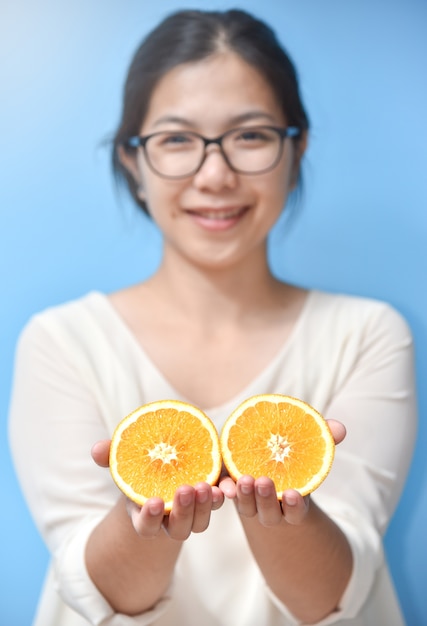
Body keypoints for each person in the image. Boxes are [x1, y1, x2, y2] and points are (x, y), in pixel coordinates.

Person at [8, 8, 417, 626]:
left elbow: (335, 595)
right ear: (132, 161)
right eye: (177, 140)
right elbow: (93, 592)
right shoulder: (62, 342)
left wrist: (286, 520)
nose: (215, 174)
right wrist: (145, 528)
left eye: (250, 136)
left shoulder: (368, 334)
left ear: (295, 148)